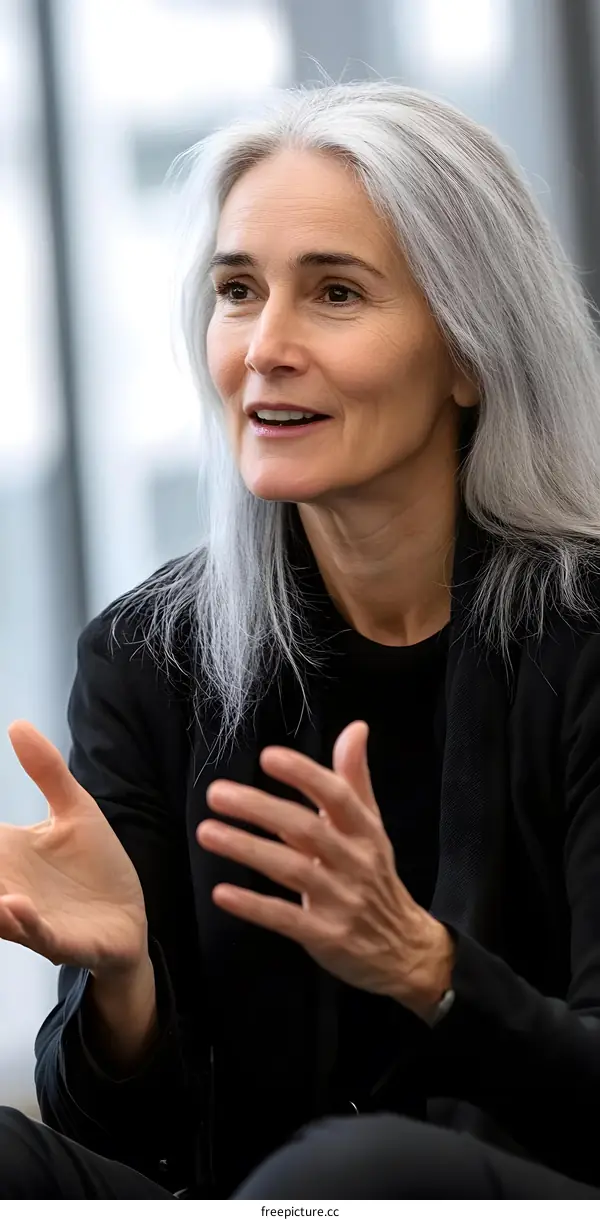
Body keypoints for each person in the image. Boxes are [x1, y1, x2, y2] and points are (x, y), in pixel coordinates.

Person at [2, 80, 600, 1201]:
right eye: (239, 290)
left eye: (334, 292)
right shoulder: (150, 657)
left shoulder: (585, 638)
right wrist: (124, 986)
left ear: (469, 351)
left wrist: (426, 969)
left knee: (357, 1168)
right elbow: (128, 1153)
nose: (265, 346)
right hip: (261, 1200)